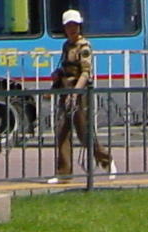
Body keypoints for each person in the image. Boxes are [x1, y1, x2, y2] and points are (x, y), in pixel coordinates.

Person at [46, 9, 117, 186]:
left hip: (80, 93)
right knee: (62, 132)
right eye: (69, 25)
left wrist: (75, 93)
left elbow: (85, 73)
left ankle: (107, 161)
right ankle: (64, 174)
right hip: (66, 90)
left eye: (75, 25)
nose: (72, 28)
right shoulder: (66, 46)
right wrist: (57, 74)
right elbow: (65, 67)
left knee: (84, 134)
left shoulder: (84, 46)